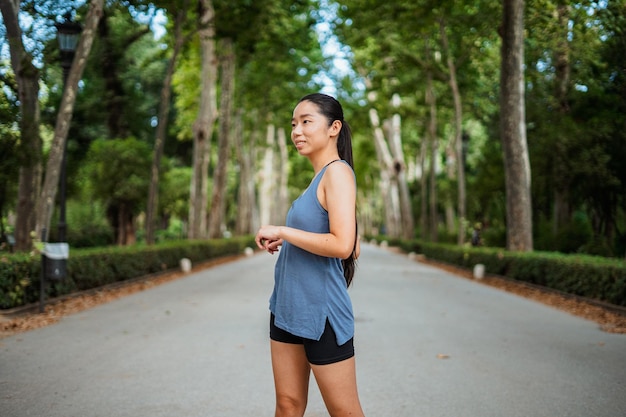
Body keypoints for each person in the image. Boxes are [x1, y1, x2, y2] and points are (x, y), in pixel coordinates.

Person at [255, 93, 365, 417]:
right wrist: (289, 244)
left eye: (306, 121)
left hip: (322, 315)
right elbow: (352, 242)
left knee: (344, 411)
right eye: (293, 124)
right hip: (288, 309)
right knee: (288, 405)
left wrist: (284, 232)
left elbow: (345, 246)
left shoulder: (338, 173)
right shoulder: (317, 179)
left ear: (334, 128)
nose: (297, 131)